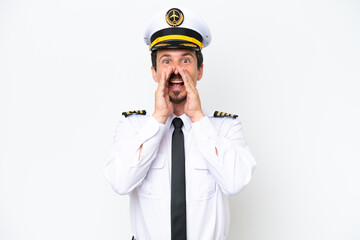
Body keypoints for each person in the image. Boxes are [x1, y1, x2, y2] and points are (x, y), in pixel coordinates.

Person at [104, 7, 256, 240]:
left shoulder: (225, 128)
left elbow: (234, 183)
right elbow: (120, 182)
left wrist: (198, 118)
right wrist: (157, 120)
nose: (176, 71)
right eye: (166, 61)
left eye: (185, 60)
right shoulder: (133, 127)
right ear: (154, 72)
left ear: (200, 70)